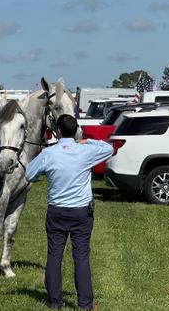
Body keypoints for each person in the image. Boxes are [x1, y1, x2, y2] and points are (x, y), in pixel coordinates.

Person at [25, 114, 113, 311]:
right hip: (82, 212)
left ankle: (55, 301)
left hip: (57, 211)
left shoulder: (50, 153)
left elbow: (29, 174)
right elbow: (108, 148)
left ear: (57, 131)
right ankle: (85, 304)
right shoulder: (86, 151)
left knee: (54, 256)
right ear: (76, 131)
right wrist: (88, 140)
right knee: (81, 257)